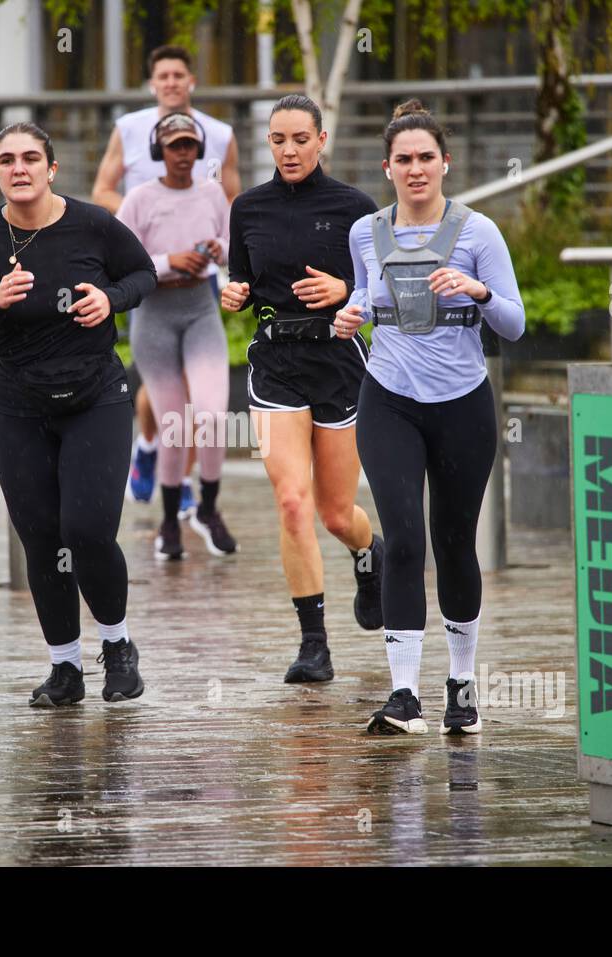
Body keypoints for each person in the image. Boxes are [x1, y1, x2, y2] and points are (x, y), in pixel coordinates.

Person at [333, 100, 525, 735]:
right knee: (404, 540)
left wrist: (480, 292)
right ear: (387, 167)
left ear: (446, 163)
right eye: (403, 160)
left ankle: (462, 686)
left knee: (452, 542)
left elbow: (516, 324)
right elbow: (365, 291)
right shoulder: (366, 232)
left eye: (426, 158)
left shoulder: (478, 233)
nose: (415, 169)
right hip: (387, 399)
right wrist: (350, 312)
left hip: (462, 405)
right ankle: (404, 695)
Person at [0, 122, 157, 707]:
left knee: (88, 531)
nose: (20, 168)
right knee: (41, 537)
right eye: (8, 160)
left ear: (52, 168)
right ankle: (64, 667)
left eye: (31, 158)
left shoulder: (92, 224)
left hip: (96, 396)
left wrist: (109, 298)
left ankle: (117, 646)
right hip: (18, 404)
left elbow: (143, 273)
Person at [221, 94, 384, 684]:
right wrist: (233, 293)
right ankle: (314, 643)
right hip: (276, 361)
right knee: (293, 502)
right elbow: (241, 278)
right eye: (278, 140)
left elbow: (378, 292)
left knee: (338, 514)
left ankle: (371, 558)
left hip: (339, 359)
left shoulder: (356, 209)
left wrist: (345, 290)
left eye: (299, 139)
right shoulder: (248, 207)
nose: (288, 150)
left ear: (321, 141)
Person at [92, 43, 242, 513]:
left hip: (198, 282)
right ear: (153, 83)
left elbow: (234, 208)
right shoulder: (129, 129)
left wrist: (215, 244)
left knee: (206, 398)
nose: (172, 82)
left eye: (180, 74)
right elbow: (101, 191)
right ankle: (151, 448)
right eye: (164, 76)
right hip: (151, 274)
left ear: (191, 81)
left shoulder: (219, 134)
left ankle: (184, 491)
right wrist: (149, 220)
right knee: (162, 397)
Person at [116, 112, 236, 559]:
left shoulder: (212, 193)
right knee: (175, 425)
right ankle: (169, 522)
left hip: (200, 308)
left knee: (211, 415)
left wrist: (215, 251)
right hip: (155, 313)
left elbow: (229, 243)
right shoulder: (140, 200)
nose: (183, 154)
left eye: (189, 145)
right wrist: (169, 261)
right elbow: (121, 261)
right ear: (158, 152)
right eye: (174, 146)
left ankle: (207, 506)